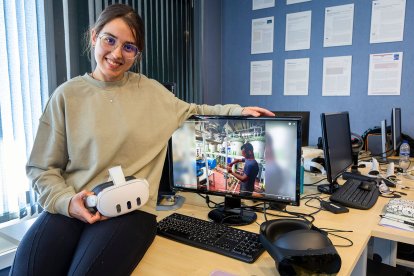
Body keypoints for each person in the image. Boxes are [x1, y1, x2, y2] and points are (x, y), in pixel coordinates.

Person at [10, 4, 274, 276]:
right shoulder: (66, 96)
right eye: (109, 40)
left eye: (128, 47)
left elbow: (193, 110)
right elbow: (42, 168)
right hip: (74, 201)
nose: (116, 53)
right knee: (27, 271)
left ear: (137, 54)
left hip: (131, 209)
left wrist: (238, 110)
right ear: (94, 36)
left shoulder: (151, 93)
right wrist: (66, 202)